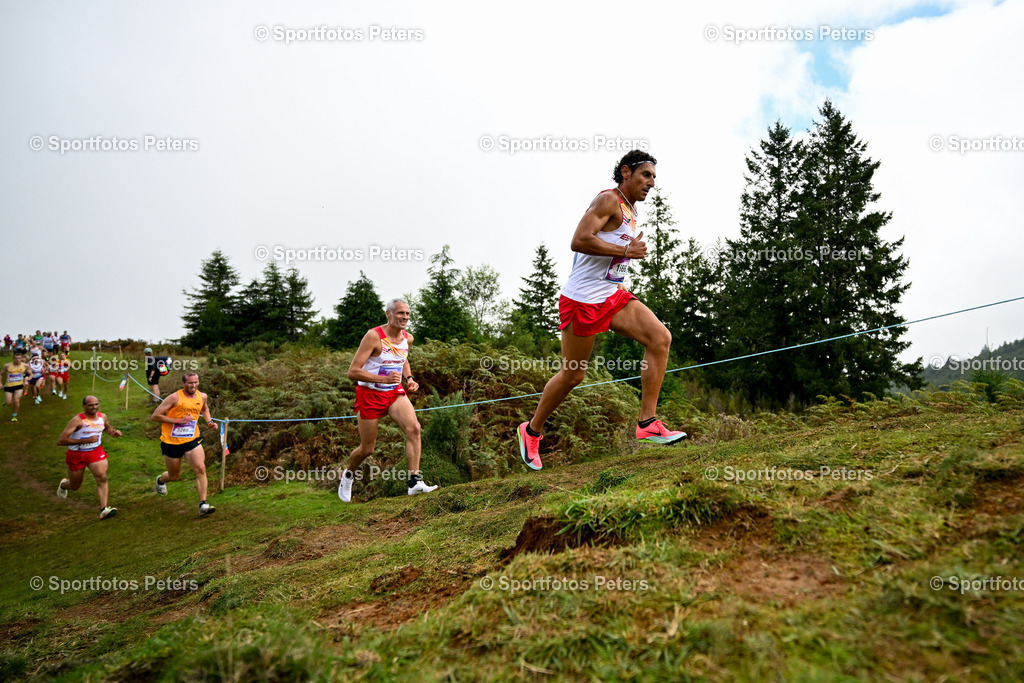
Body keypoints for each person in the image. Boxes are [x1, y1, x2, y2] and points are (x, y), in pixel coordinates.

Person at [517, 151, 687, 471]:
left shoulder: (630, 209)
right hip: (581, 301)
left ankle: (647, 423)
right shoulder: (609, 200)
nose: (651, 183)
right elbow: (579, 240)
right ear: (626, 172)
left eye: (654, 178)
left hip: (611, 296)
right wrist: (626, 250)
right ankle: (532, 430)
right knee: (574, 375)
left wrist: (622, 263)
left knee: (660, 338)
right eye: (646, 175)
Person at [338, 298, 438, 503]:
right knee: (368, 448)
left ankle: (414, 483)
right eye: (400, 313)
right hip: (369, 394)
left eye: (408, 314)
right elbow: (352, 372)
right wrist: (382, 379)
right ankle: (348, 475)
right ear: (388, 314)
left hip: (393, 392)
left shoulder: (407, 339)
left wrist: (409, 379)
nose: (405, 318)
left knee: (414, 428)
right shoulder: (373, 337)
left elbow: (403, 358)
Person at [151, 372, 218, 516]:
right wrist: (177, 421)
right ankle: (161, 480)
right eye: (190, 383)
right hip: (171, 442)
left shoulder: (202, 396)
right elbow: (155, 416)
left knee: (200, 468)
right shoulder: (174, 397)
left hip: (192, 439)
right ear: (183, 384)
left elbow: (204, 409)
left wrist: (209, 422)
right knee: (174, 476)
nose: (193, 385)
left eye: (195, 382)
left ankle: (203, 505)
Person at [56, 396, 122, 519]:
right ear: (84, 406)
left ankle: (104, 509)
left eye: (96, 404)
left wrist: (114, 432)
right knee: (75, 486)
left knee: (102, 477)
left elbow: (107, 428)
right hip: (76, 454)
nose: (94, 407)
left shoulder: (102, 417)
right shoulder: (77, 420)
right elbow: (61, 441)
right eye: (91, 405)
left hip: (95, 452)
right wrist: (85, 440)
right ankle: (64, 485)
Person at [3, 352, 29, 421]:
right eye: (16, 358)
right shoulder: (7, 366)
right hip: (9, 386)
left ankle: (14, 416)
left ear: (21, 358)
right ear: (13, 358)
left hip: (19, 386)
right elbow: (1, 374)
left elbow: (31, 374)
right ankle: (6, 400)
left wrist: (26, 380)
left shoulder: (25, 366)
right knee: (9, 403)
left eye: (19, 358)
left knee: (16, 400)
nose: (17, 360)